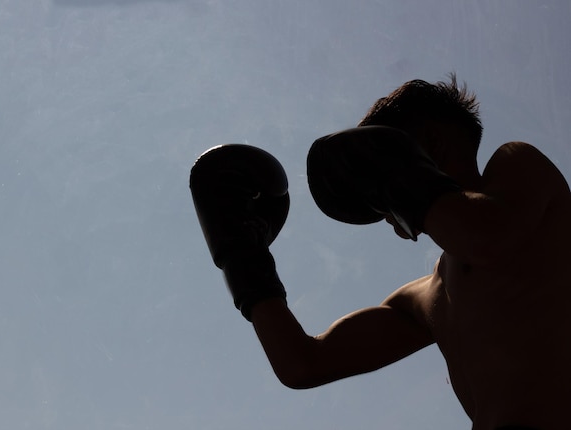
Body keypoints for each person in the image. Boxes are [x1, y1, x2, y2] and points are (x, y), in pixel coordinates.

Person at [189, 75, 571, 430]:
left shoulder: (519, 165)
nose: (388, 221)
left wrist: (400, 181)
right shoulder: (429, 296)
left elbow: (482, 236)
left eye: (379, 200)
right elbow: (302, 363)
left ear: (427, 150)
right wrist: (243, 256)